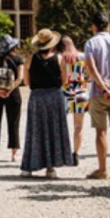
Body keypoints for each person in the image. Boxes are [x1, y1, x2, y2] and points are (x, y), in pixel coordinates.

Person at [21, 29, 74, 178]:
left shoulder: (30, 59)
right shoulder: (59, 59)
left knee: (35, 131)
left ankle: (29, 167)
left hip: (37, 97)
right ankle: (51, 168)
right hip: (54, 96)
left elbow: (26, 82)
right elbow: (64, 80)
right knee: (53, 131)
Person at [83, 11, 110, 180]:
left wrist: (103, 87)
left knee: (100, 132)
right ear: (107, 26)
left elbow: (91, 67)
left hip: (98, 93)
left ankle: (102, 169)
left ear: (94, 26)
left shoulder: (91, 43)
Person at [59, 35, 89, 167]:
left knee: (61, 125)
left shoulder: (61, 58)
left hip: (64, 93)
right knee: (79, 126)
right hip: (80, 93)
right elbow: (88, 72)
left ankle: (62, 154)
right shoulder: (83, 56)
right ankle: (75, 154)